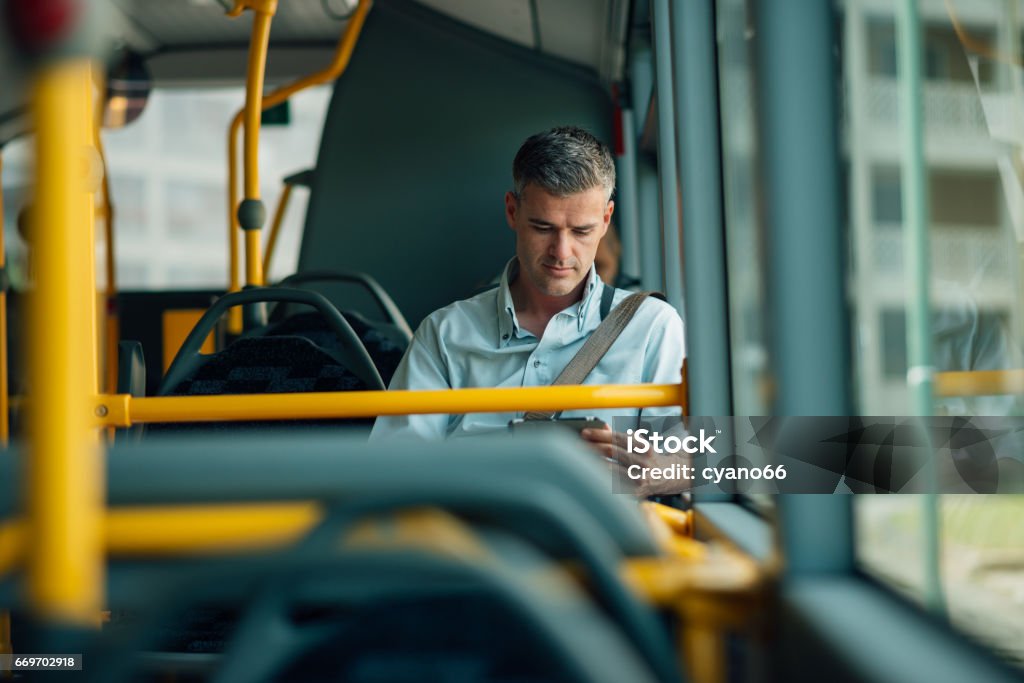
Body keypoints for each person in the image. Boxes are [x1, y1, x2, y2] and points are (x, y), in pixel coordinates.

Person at [370, 126, 685, 443]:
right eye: (543, 228)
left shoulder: (654, 326)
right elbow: (393, 470)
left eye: (581, 232)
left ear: (606, 220)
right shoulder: (444, 334)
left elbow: (721, 464)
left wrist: (649, 475)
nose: (561, 252)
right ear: (512, 211)